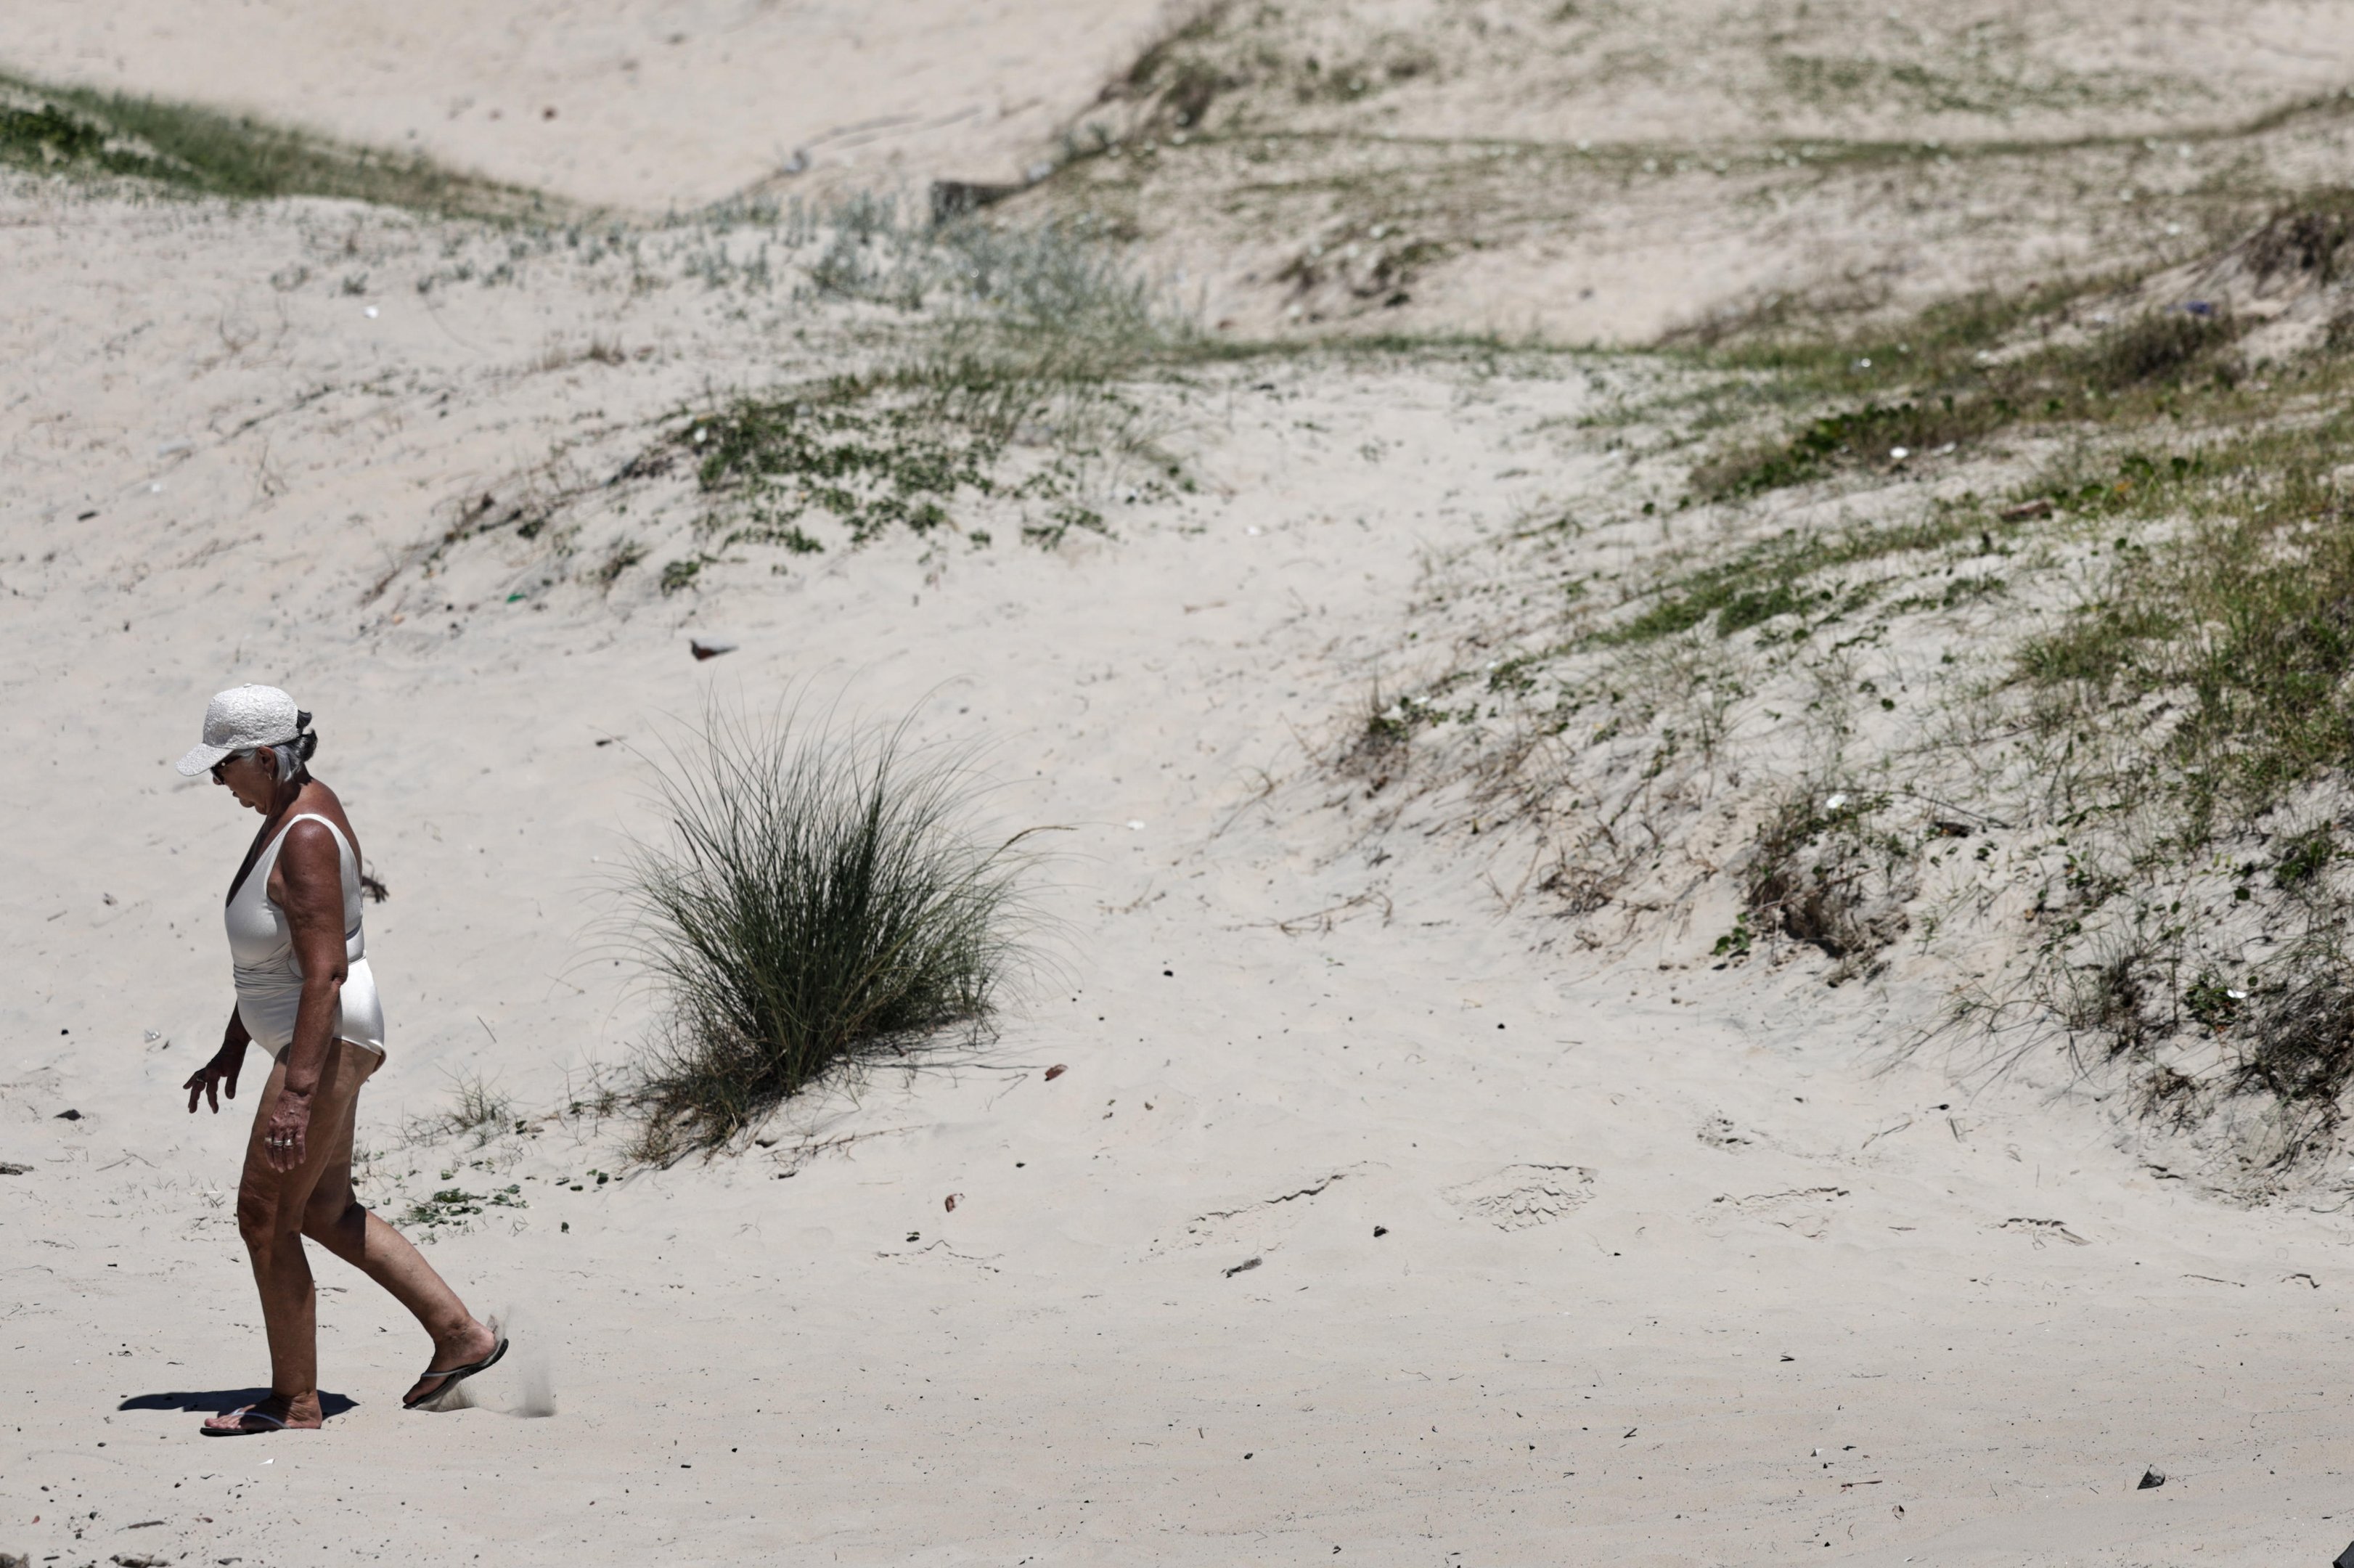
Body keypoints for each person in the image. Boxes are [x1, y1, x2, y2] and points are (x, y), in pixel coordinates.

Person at [176, 685, 506, 1434]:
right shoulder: (290, 811)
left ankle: (293, 1401)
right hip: (315, 1038)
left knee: (265, 1217)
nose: (218, 782)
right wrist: (234, 1044)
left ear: (265, 756)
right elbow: (281, 960)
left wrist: (296, 1091)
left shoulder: (305, 836)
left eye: (224, 767)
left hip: (322, 1041)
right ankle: (460, 1335)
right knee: (323, 1209)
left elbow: (322, 970)